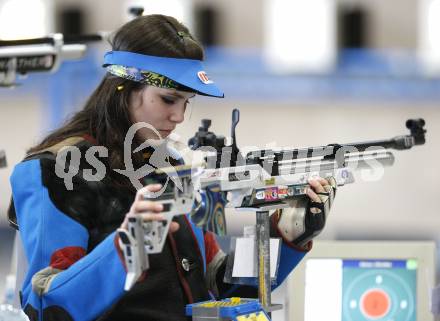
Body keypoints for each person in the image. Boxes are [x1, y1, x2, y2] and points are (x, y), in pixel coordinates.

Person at [8, 14, 337, 321]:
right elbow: (46, 305)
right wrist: (126, 246)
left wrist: (286, 236)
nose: (179, 117)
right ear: (123, 88)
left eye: (186, 103)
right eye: (168, 99)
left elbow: (218, 286)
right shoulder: (55, 171)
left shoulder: (169, 166)